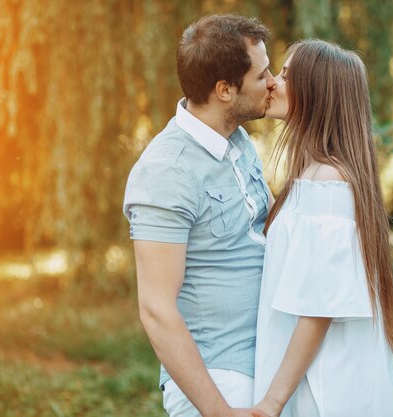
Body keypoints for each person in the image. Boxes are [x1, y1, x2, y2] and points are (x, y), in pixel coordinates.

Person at [123, 15, 276, 417]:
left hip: (268, 364)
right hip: (221, 378)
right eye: (263, 75)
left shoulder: (238, 139)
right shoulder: (166, 171)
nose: (273, 82)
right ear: (225, 90)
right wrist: (221, 412)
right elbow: (156, 309)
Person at [252, 39, 393, 417]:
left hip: (324, 387)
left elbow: (317, 310)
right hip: (320, 377)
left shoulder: (327, 183)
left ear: (316, 92)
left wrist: (270, 404)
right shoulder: (319, 176)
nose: (273, 81)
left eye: (286, 74)